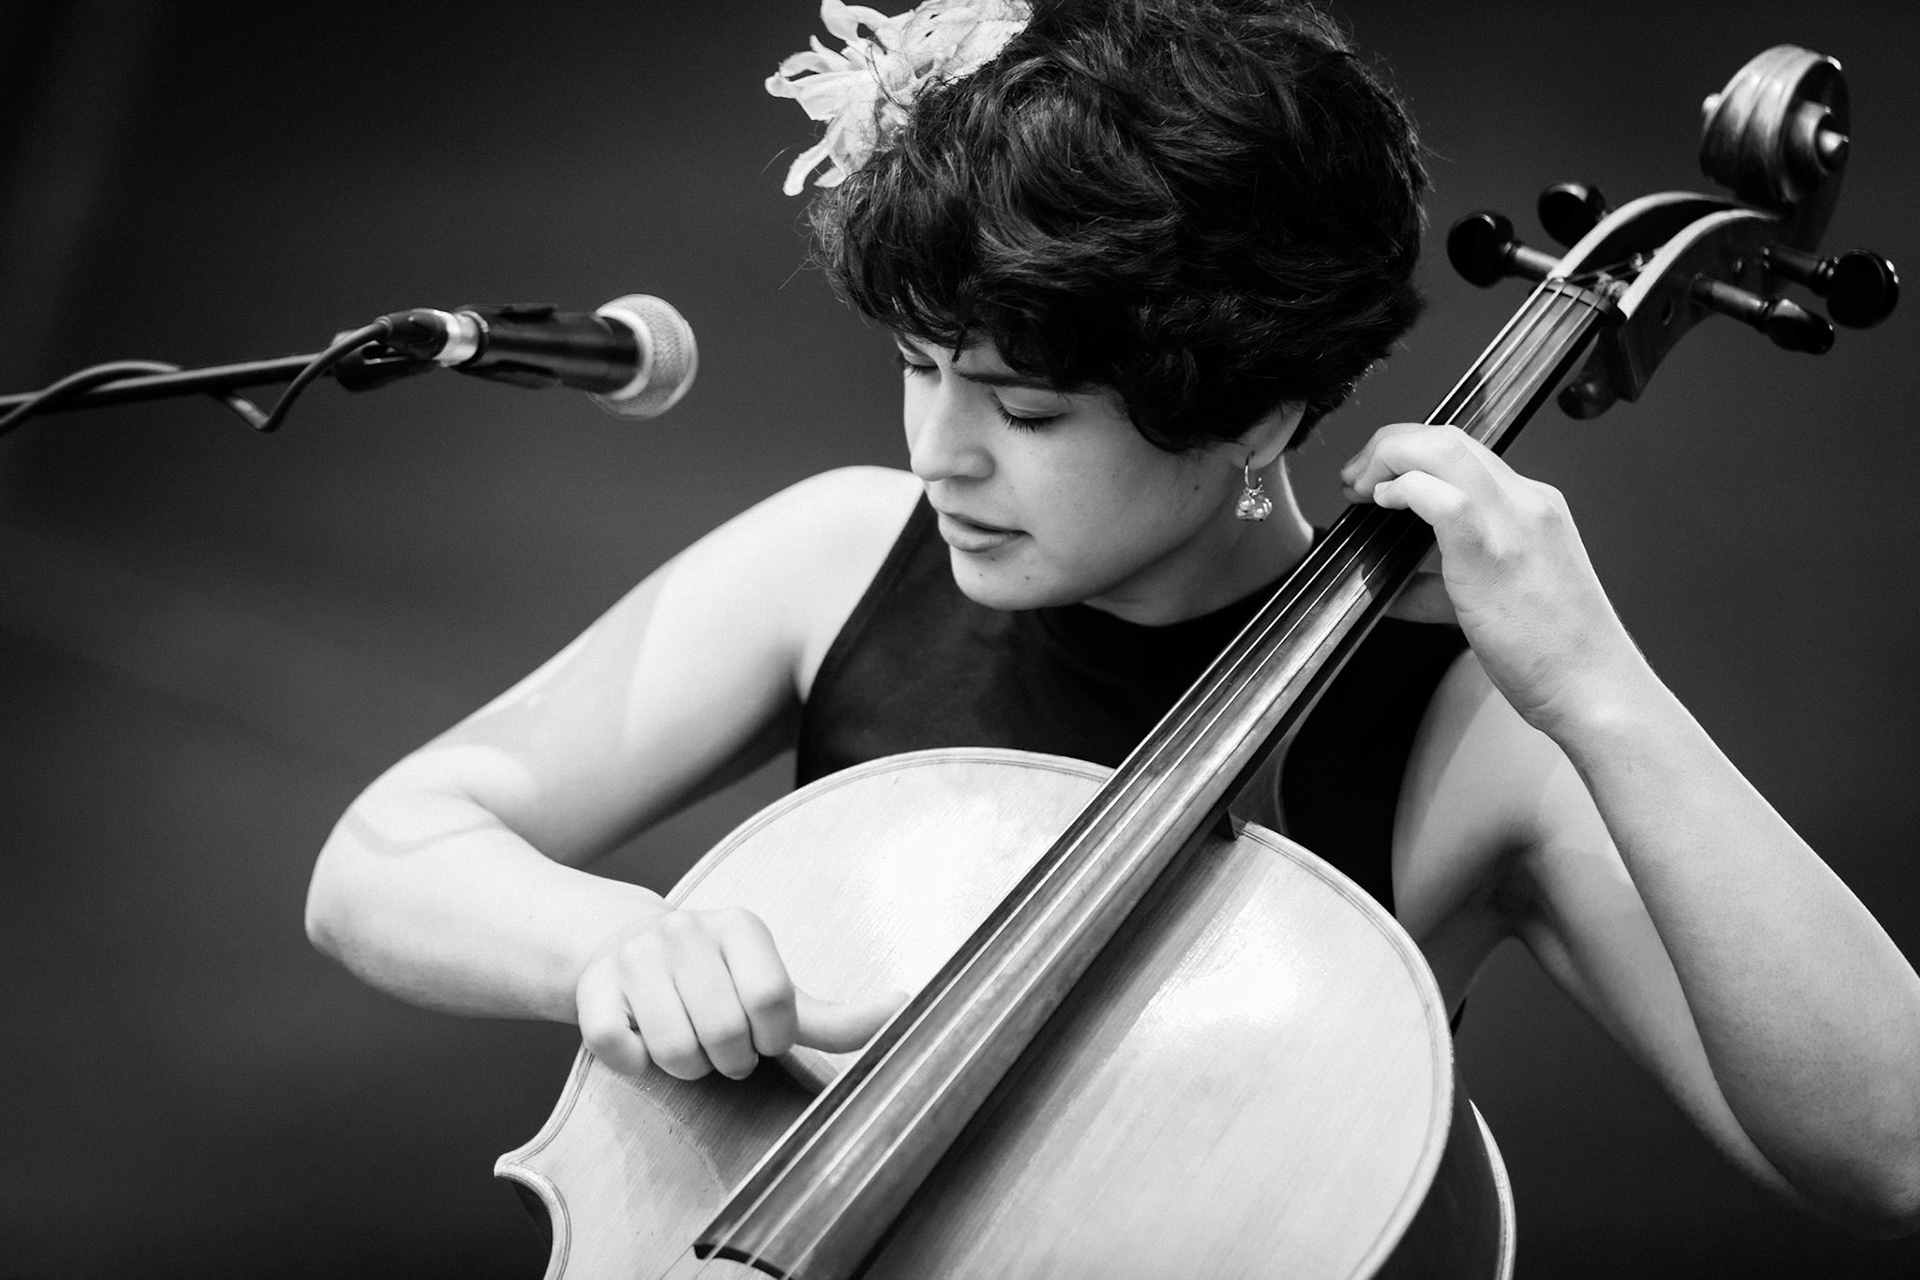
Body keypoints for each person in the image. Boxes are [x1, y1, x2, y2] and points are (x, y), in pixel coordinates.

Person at [305, 0, 1920, 1235]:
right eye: (921, 366)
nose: (938, 451)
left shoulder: (1473, 727)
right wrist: (618, 940)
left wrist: (1602, 692)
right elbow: (383, 857)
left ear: (1262, 412)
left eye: (1027, 408)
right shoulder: (835, 557)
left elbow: (1891, 1148)